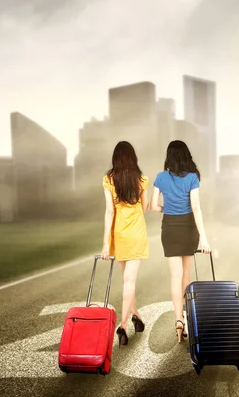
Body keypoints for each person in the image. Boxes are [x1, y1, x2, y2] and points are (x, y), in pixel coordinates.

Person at [150, 140, 211, 343]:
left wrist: (166, 209)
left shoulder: (160, 177)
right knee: (185, 273)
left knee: (174, 275)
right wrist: (203, 236)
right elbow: (196, 208)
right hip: (188, 228)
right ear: (186, 156)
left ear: (169, 156)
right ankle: (186, 316)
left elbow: (153, 206)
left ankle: (178, 319)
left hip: (169, 228)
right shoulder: (193, 178)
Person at [100, 141, 149, 347]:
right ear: (132, 157)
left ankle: (136, 317)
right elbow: (145, 208)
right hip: (137, 233)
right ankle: (123, 325)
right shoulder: (142, 180)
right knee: (130, 281)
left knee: (127, 280)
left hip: (118, 234)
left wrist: (105, 243)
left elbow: (110, 211)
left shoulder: (109, 179)